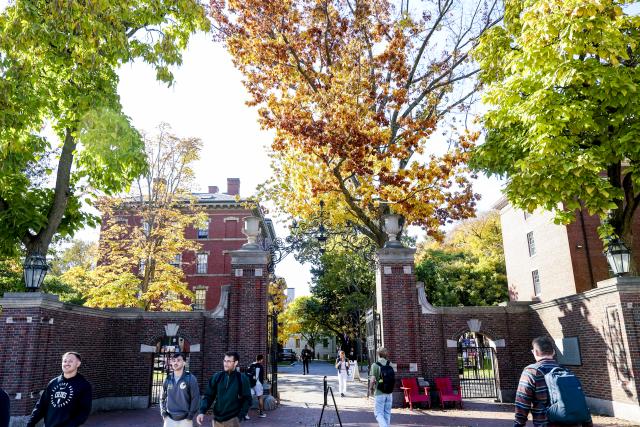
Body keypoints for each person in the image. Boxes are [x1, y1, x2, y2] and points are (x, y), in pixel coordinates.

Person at [515, 336, 593, 427]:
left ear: (535, 352)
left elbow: (522, 400)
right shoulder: (565, 370)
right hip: (573, 423)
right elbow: (579, 399)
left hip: (546, 423)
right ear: (553, 352)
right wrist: (588, 422)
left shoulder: (531, 372)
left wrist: (519, 423)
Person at [26, 351, 92, 427]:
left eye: (70, 361)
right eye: (65, 361)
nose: (67, 363)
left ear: (78, 364)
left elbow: (84, 411)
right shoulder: (53, 382)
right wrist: (30, 423)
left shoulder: (84, 385)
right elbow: (41, 405)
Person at [197, 351, 251, 427]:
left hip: (233, 420)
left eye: (229, 361)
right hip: (217, 420)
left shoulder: (242, 378)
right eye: (224, 361)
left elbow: (247, 399)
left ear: (235, 363)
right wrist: (202, 411)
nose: (225, 363)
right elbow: (208, 396)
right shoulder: (217, 377)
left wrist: (240, 416)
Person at [160, 352, 200, 426]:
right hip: (169, 419)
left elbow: (195, 398)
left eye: (178, 360)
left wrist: (190, 416)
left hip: (185, 420)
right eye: (174, 360)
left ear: (184, 363)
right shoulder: (168, 379)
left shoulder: (190, 378)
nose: (175, 362)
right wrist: (163, 413)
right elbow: (162, 398)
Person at [369, 347, 393, 427]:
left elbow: (372, 380)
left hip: (379, 392)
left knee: (378, 413)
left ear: (378, 354)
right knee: (387, 413)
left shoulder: (375, 365)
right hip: (389, 392)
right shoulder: (390, 363)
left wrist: (371, 389)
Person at [248, 355, 267, 419]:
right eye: (262, 359)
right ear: (261, 359)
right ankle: (261, 413)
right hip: (258, 383)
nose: (263, 361)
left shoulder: (251, 365)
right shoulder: (261, 366)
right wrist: (261, 383)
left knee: (249, 398)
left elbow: (248, 373)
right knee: (260, 398)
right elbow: (261, 376)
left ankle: (245, 414)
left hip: (251, 383)